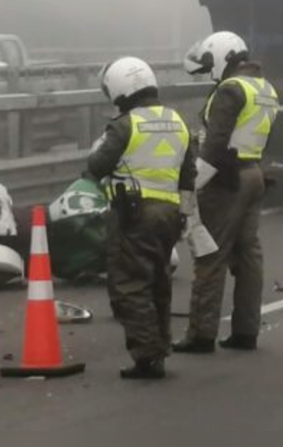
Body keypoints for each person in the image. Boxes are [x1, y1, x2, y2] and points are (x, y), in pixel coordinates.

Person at [85, 56, 196, 380]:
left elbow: (97, 166)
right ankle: (159, 347)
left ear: (119, 88)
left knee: (130, 285)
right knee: (158, 282)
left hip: (135, 214)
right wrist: (186, 214)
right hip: (170, 214)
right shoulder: (178, 121)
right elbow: (188, 174)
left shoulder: (124, 125)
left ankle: (147, 356)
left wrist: (96, 150)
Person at [173, 31, 279, 354]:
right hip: (254, 174)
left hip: (225, 179)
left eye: (209, 63)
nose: (208, 71)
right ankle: (246, 331)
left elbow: (215, 145)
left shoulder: (230, 90)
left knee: (210, 255)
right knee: (248, 256)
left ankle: (201, 334)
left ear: (222, 56)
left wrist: (192, 186)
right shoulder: (266, 89)